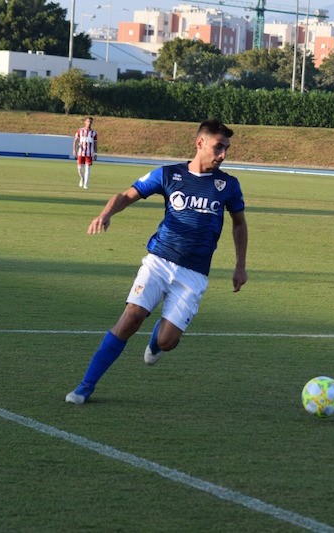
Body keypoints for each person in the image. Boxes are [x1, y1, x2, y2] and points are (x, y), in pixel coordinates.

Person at [65, 119, 248, 404]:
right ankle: (85, 386)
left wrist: (240, 265)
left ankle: (157, 339)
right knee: (130, 319)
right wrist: (106, 213)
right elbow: (127, 194)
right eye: (218, 147)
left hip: (194, 274)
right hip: (159, 261)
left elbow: (239, 224)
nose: (223, 154)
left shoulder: (228, 186)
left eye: (226, 148)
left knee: (167, 341)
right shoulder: (168, 175)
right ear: (200, 144)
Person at [73, 116, 98, 189]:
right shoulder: (80, 131)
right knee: (80, 169)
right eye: (88, 121)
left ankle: (86, 184)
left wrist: (95, 153)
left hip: (89, 154)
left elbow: (95, 144)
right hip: (81, 152)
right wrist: (74, 150)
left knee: (88, 169)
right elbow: (75, 140)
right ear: (85, 122)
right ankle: (82, 178)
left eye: (90, 122)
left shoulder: (93, 133)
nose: (89, 123)